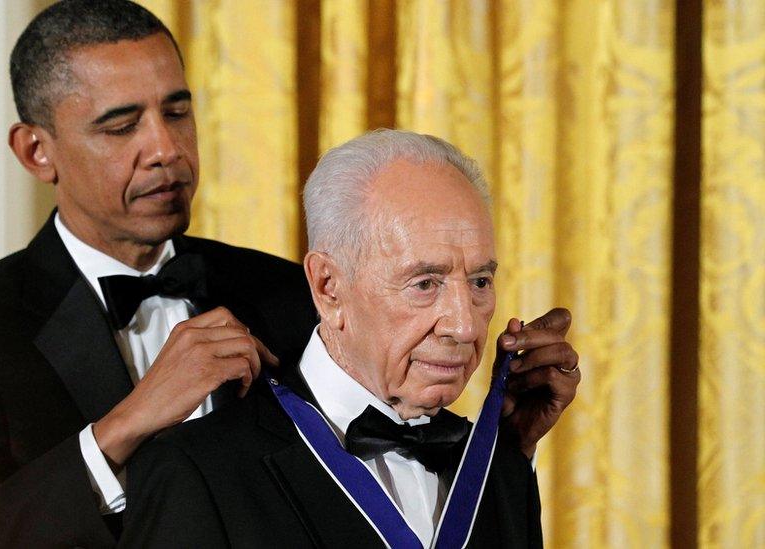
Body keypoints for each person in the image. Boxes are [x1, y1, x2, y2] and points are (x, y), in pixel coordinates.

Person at [0, 1, 315, 547]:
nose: (165, 149)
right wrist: (125, 426)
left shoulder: (290, 293)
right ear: (37, 151)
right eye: (121, 126)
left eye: (177, 113)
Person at [120, 130, 581, 548]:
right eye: (425, 284)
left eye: (480, 282)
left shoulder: (497, 467)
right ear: (328, 287)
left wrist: (506, 461)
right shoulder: (197, 472)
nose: (464, 327)